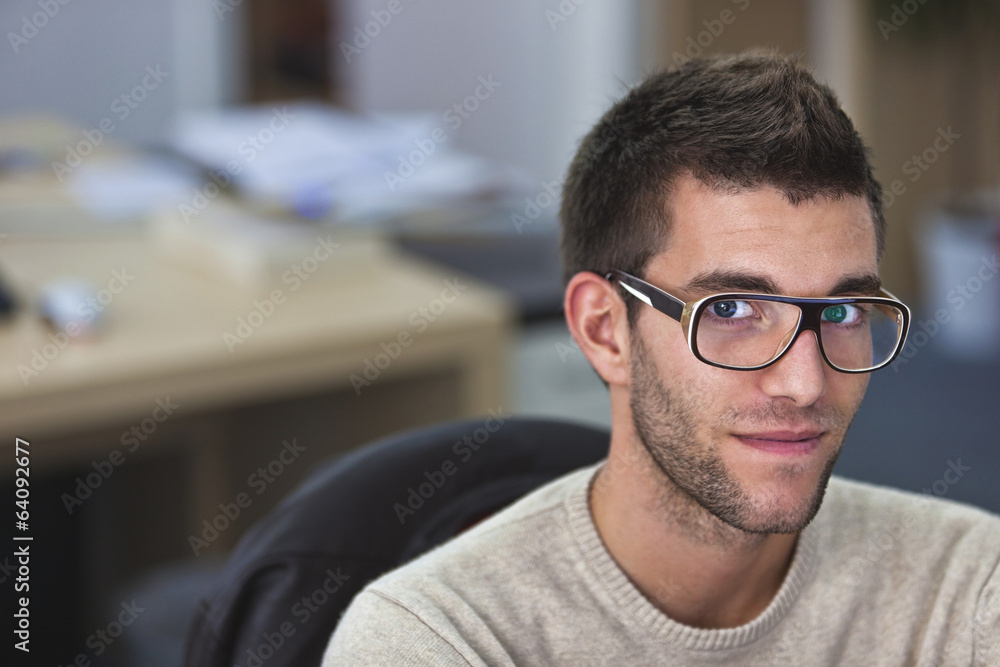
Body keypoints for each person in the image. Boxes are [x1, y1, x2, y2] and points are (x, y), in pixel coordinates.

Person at [322, 51, 1000, 665]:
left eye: (843, 311)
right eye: (732, 310)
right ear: (605, 329)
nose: (805, 381)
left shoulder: (969, 590)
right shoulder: (435, 640)